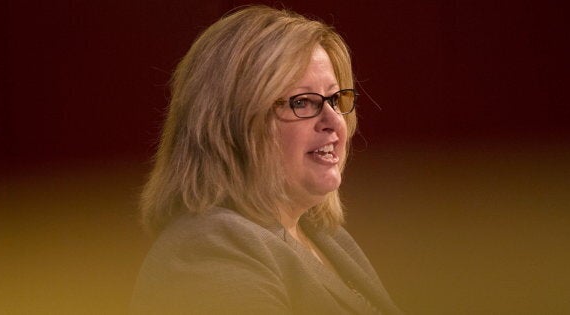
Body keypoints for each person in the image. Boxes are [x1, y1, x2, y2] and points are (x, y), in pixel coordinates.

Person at [131, 5, 403, 314]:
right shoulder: (209, 249)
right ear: (231, 123)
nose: (333, 120)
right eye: (302, 102)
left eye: (335, 99)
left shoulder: (328, 238)